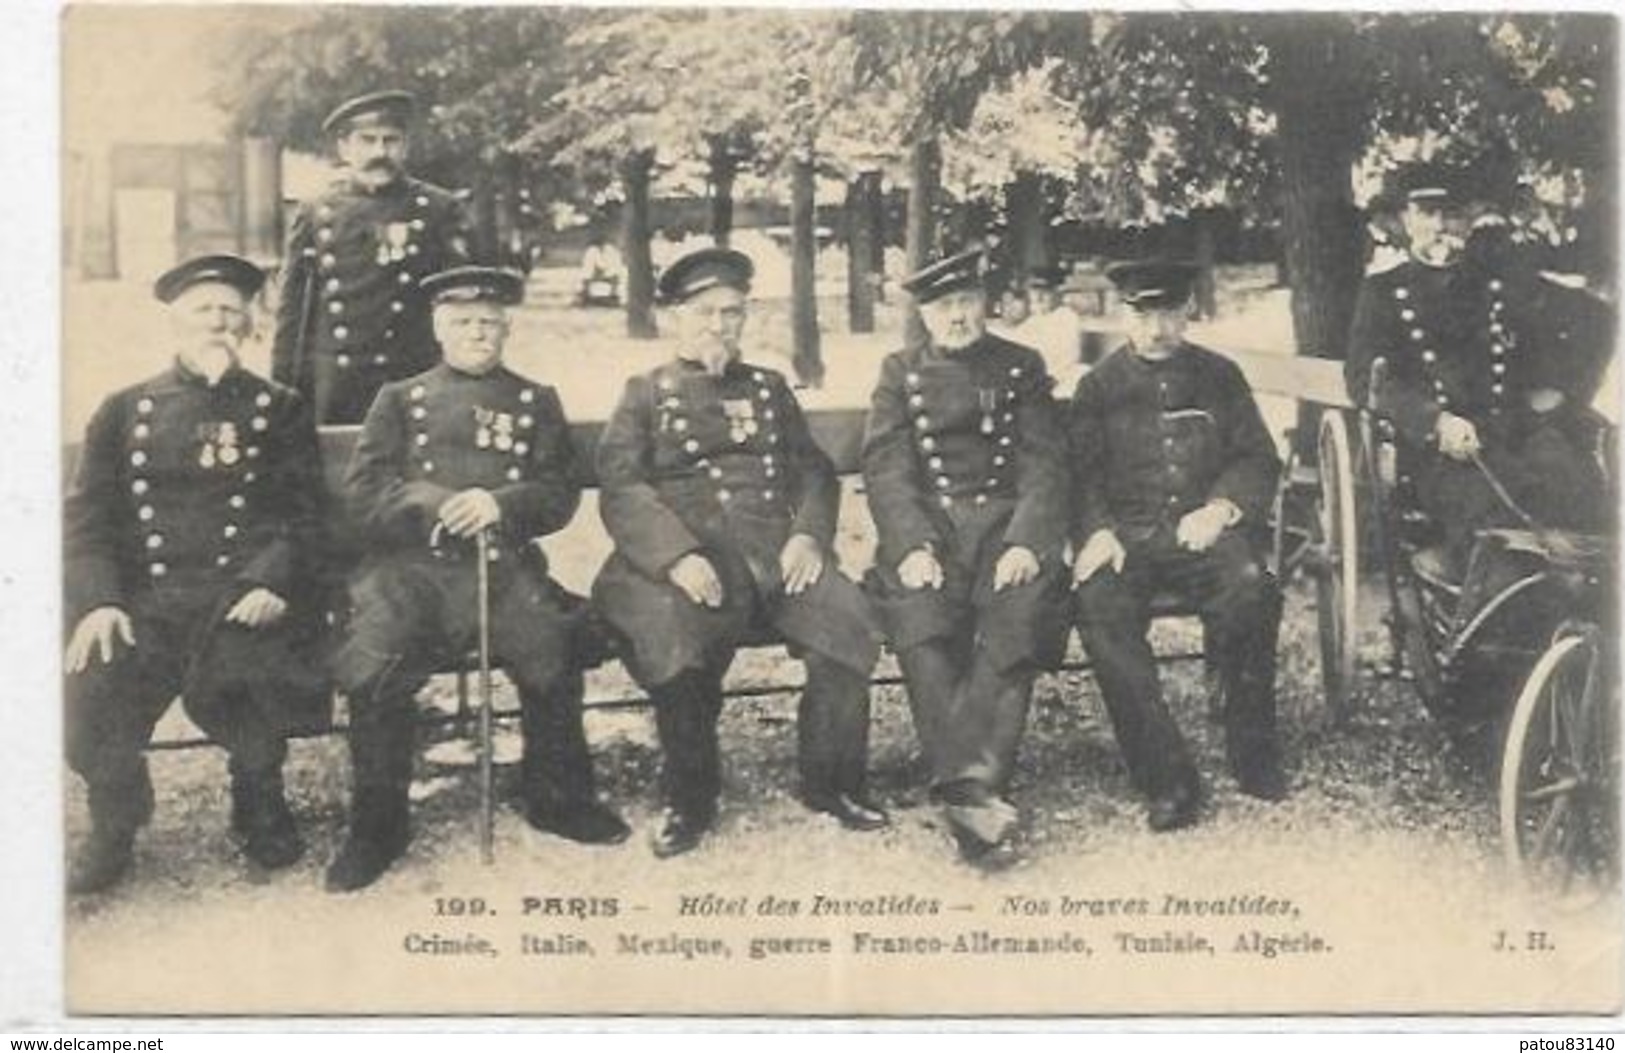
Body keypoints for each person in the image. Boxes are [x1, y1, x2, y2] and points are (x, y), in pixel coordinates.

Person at [326, 265, 628, 892]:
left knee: (551, 641)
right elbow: (364, 493)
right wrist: (436, 503)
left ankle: (557, 795)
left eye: (490, 322)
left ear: (508, 328)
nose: (478, 333)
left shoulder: (534, 399)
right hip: (408, 570)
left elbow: (558, 492)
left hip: (502, 565)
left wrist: (502, 504)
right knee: (375, 660)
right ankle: (377, 825)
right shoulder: (399, 399)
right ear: (439, 328)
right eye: (463, 322)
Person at [592, 247, 888, 859]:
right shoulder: (645, 393)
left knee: (847, 621)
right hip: (688, 559)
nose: (719, 327)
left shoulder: (769, 388)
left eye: (732, 314)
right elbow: (622, 486)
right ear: (675, 317)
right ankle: (689, 797)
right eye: (704, 313)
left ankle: (833, 782)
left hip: (774, 557)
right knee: (674, 639)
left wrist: (809, 535)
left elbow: (815, 471)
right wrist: (675, 557)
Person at [64, 254, 327, 894]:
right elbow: (88, 520)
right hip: (147, 599)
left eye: (231, 311)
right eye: (204, 310)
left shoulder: (280, 408)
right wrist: (99, 602)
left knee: (256, 672)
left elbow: (306, 513)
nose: (218, 321)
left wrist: (272, 582)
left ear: (247, 326)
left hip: (240, 595)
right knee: (95, 683)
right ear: (176, 323)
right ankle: (116, 818)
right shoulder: (124, 409)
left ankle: (259, 800)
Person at [860, 247, 1071, 869]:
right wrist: (911, 545)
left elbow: (1044, 462)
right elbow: (886, 468)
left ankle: (965, 789)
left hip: (1004, 527)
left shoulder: (1020, 366)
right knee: (919, 621)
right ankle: (976, 794)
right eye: (943, 305)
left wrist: (1028, 541)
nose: (957, 315)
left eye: (966, 301)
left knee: (1016, 616)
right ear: (924, 313)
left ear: (986, 304)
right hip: (933, 532)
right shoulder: (899, 372)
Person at [1067, 260, 1286, 832]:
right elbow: (1080, 476)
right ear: (1123, 314)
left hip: (1204, 534)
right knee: (1099, 608)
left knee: (1250, 589)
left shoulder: (1221, 377)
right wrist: (1096, 532)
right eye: (1143, 313)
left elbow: (1257, 458)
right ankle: (1165, 776)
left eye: (1168, 312)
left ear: (1188, 310)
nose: (1157, 328)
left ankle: (1252, 747)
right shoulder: (1098, 387)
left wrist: (1220, 509)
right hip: (1126, 540)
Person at [1346, 159, 1612, 582]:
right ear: (1404, 221)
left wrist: (1564, 392)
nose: (1440, 225)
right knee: (1492, 515)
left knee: (1578, 484)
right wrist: (1434, 421)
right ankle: (1487, 607)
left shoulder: (1493, 278)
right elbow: (1364, 379)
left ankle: (1577, 613)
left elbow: (1593, 316)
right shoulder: (1383, 291)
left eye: (1448, 213)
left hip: (1512, 431)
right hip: (1444, 450)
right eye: (1426, 213)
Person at [271, 90, 473, 424]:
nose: (380, 152)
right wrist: (282, 389)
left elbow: (463, 303)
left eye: (390, 141)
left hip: (413, 374)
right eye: (367, 140)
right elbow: (292, 311)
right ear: (344, 147)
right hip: (336, 382)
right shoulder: (315, 211)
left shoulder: (438, 209)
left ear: (405, 146)